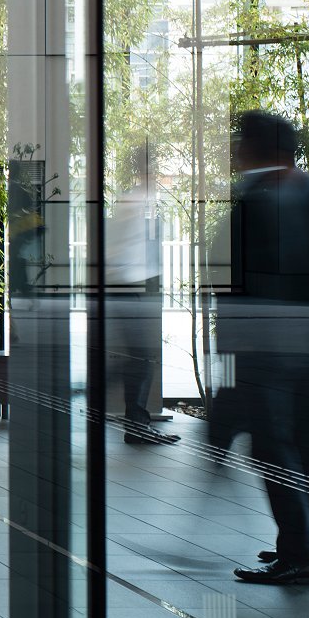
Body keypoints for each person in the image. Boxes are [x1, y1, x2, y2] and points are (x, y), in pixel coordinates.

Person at [217, 110, 309, 586]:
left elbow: (237, 286)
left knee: (275, 448)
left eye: (240, 141)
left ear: (257, 149)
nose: (235, 150)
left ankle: (298, 555)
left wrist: (230, 355)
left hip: (269, 351)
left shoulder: (255, 200)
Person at [106, 145, 179, 444]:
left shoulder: (140, 199)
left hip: (133, 287)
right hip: (129, 287)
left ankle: (136, 423)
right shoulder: (135, 200)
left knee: (140, 358)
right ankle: (135, 424)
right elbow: (120, 247)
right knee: (141, 358)